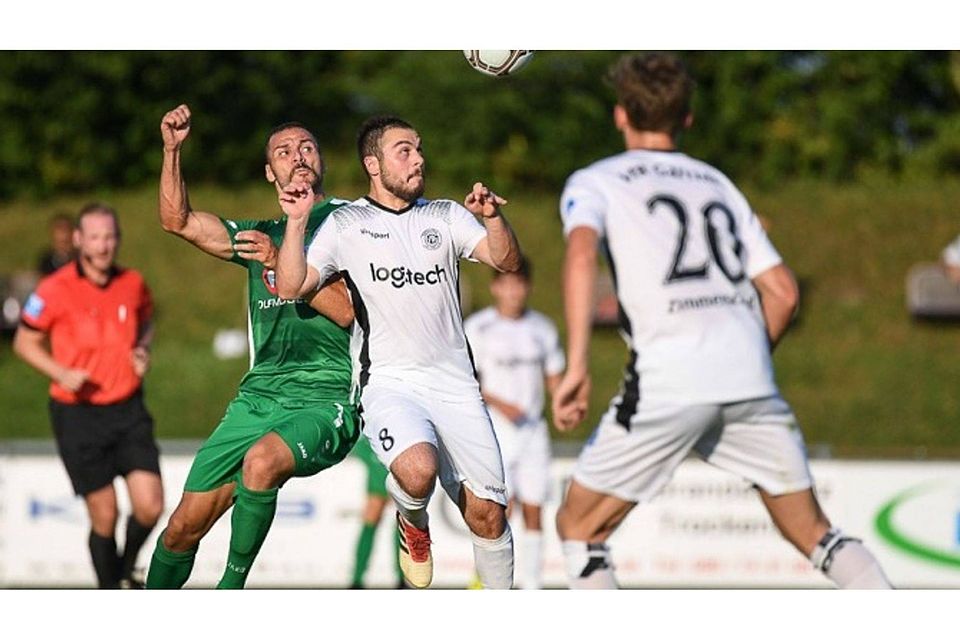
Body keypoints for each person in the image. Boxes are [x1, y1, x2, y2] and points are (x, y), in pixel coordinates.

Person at [551, 53, 892, 589]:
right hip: (750, 379)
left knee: (579, 526)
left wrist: (576, 364)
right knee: (813, 532)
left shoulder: (598, 181)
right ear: (686, 119)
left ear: (620, 115)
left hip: (668, 380)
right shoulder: (718, 184)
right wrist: (739, 364)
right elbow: (781, 292)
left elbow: (579, 256)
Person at [275, 115, 522, 589]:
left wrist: (492, 219)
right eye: (404, 150)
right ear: (373, 163)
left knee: (489, 517)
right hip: (389, 381)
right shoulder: (347, 224)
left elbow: (506, 261)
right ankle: (413, 520)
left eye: (419, 148)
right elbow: (291, 285)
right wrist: (296, 222)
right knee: (417, 470)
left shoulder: (445, 215)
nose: (418, 159)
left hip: (456, 385)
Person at [145, 104, 359, 589]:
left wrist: (282, 264)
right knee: (181, 529)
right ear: (270, 171)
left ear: (321, 161)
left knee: (261, 463)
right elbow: (176, 221)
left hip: (326, 395)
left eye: (307, 148)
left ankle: (231, 592)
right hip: (257, 399)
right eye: (284, 152)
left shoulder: (351, 222)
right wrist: (173, 150)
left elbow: (348, 312)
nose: (297, 157)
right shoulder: (261, 233)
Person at [14, 202, 164, 589]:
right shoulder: (53, 289)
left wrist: (143, 348)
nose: (103, 245)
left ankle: (126, 570)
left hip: (128, 408)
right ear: (79, 239)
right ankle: (109, 593)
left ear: (118, 239)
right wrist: (60, 371)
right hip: (78, 414)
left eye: (110, 236)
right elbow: (24, 342)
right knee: (106, 515)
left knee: (150, 505)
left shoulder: (133, 282)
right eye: (95, 237)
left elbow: (146, 321)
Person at [463, 258, 565, 589]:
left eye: (519, 284)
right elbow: (466, 381)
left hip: (533, 430)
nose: (513, 292)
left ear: (527, 287)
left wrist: (566, 402)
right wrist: (502, 404)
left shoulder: (543, 329)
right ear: (495, 287)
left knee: (535, 509)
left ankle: (532, 585)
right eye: (506, 284)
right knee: (496, 512)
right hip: (494, 430)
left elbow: (554, 379)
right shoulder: (478, 328)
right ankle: (487, 582)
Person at [348, 437, 403, 589]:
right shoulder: (367, 439)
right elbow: (355, 446)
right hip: (381, 475)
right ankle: (357, 579)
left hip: (398, 472)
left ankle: (401, 577)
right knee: (372, 520)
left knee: (402, 526)